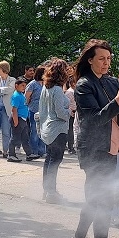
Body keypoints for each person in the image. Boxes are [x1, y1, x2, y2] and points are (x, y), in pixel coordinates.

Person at [69, 39, 119, 238]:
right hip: (93, 151)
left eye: (109, 58)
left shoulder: (110, 82)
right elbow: (93, 120)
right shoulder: (84, 85)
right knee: (103, 203)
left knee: (94, 200)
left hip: (111, 147)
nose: (106, 63)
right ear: (90, 60)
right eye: (101, 59)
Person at [39, 58, 71, 203]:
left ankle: (47, 190)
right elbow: (60, 112)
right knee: (55, 160)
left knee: (49, 159)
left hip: (47, 128)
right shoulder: (57, 90)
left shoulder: (46, 87)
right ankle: (51, 192)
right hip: (57, 130)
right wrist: (70, 111)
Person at [8, 78, 33, 162]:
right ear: (16, 86)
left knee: (25, 137)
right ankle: (11, 155)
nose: (24, 87)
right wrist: (16, 121)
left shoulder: (21, 94)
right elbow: (14, 110)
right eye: (22, 85)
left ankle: (29, 154)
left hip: (23, 119)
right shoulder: (16, 96)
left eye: (25, 86)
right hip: (18, 118)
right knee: (15, 138)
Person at [25, 66, 46, 158]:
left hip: (44, 111)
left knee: (43, 131)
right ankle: (34, 151)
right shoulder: (32, 84)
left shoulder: (46, 84)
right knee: (34, 131)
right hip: (34, 110)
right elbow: (26, 97)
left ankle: (42, 150)